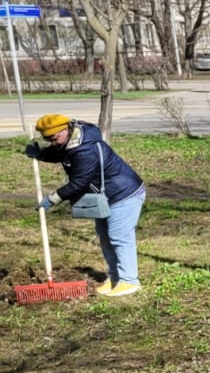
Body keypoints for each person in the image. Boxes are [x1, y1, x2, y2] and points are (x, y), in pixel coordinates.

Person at [25, 113, 146, 296]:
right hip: (106, 196)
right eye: (47, 139)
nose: (52, 142)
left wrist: (53, 198)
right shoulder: (68, 141)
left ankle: (129, 281)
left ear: (64, 129)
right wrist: (41, 154)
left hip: (124, 193)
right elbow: (60, 153)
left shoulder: (84, 149)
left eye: (54, 138)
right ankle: (115, 278)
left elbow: (80, 182)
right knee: (105, 238)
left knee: (119, 237)